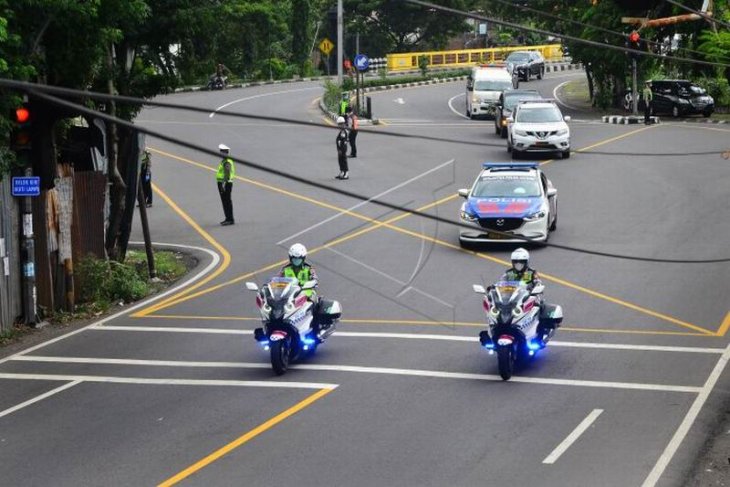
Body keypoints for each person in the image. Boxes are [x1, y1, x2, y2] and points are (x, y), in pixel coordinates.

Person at [216, 144, 235, 225]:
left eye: (221, 152)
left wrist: (223, 185)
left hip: (225, 184)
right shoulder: (225, 161)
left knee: (226, 201)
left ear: (225, 152)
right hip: (224, 183)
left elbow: (227, 174)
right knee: (225, 201)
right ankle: (228, 218)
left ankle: (229, 219)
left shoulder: (227, 161)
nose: (220, 153)